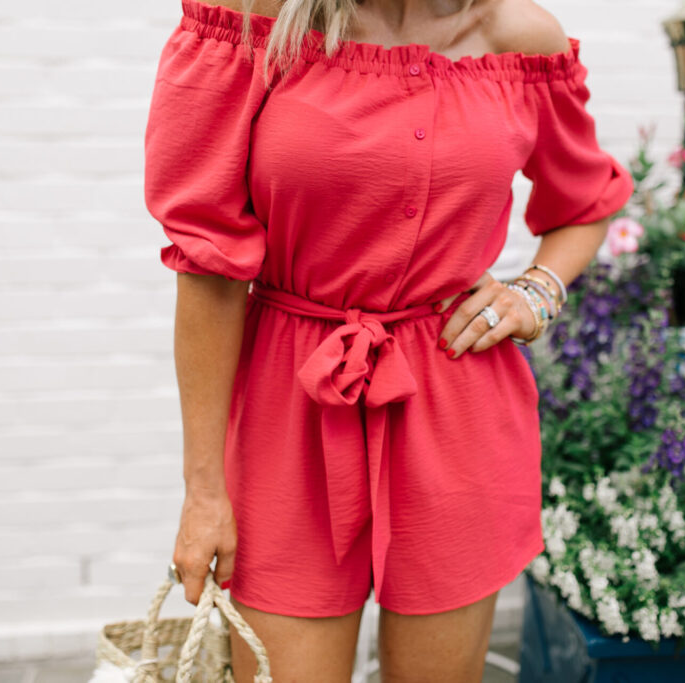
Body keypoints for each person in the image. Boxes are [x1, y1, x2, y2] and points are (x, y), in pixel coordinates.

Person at [144, 0, 633, 679]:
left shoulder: (520, 38)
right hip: (288, 416)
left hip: (455, 407)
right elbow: (208, 265)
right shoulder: (250, 23)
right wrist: (203, 493)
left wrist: (536, 291)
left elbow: (585, 200)